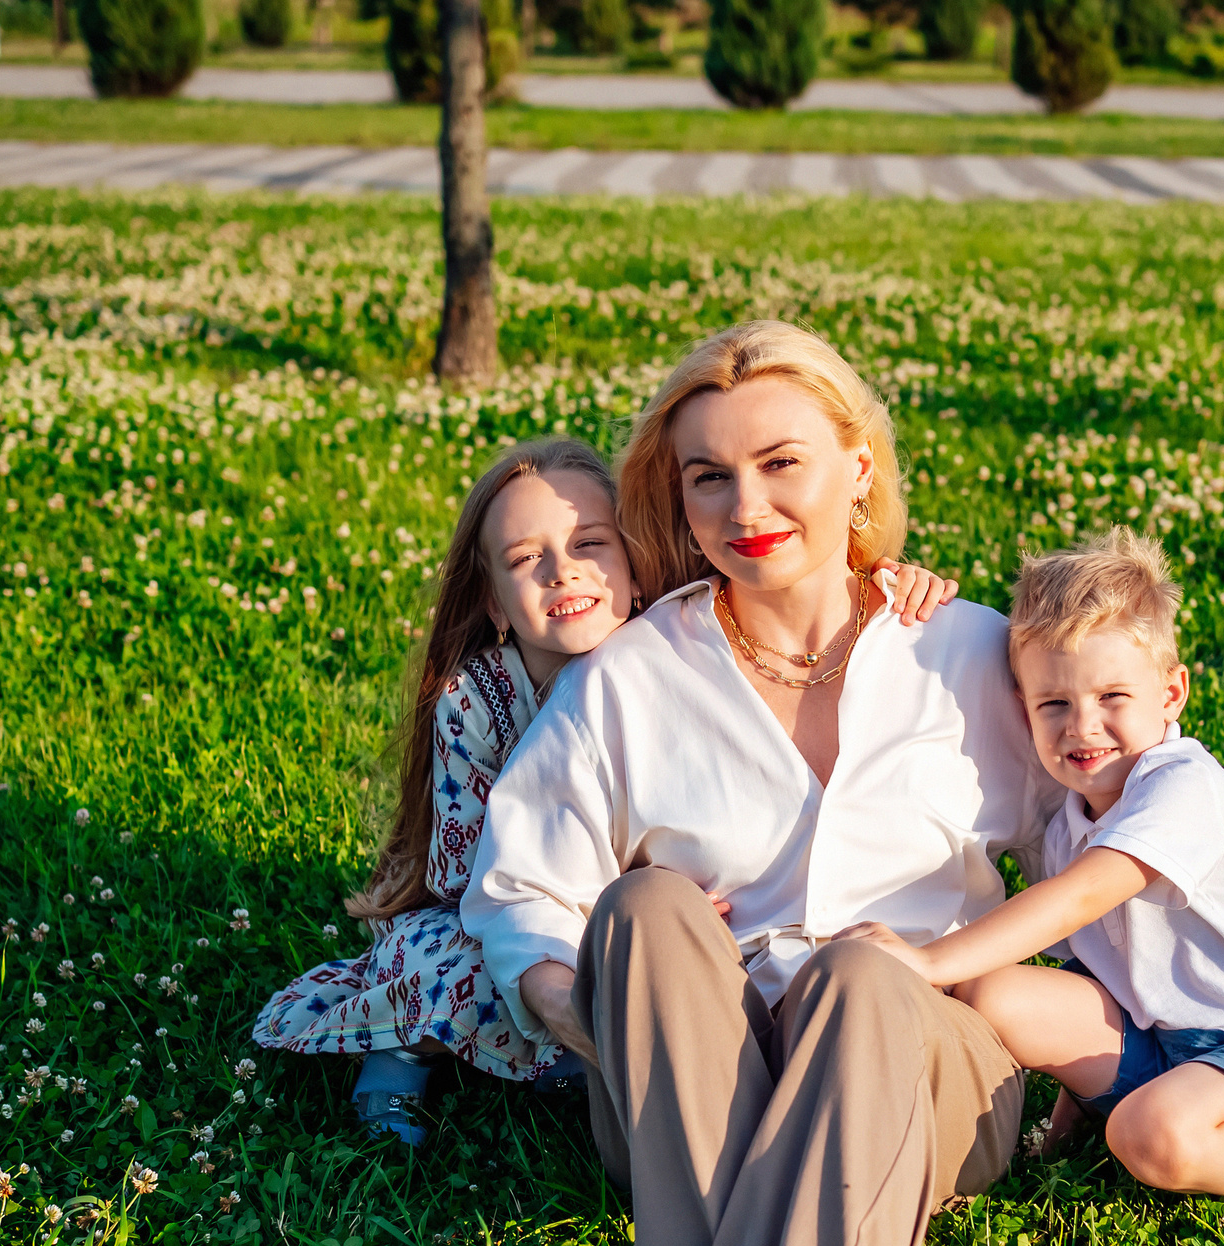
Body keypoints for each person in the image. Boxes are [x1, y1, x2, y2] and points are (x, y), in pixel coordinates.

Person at [462, 323, 1061, 1246]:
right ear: (672, 502)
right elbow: (516, 891)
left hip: (928, 1083)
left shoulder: (966, 653)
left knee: (861, 969)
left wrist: (1127, 1046)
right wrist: (583, 1014)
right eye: (707, 480)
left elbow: (1113, 842)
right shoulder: (635, 678)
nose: (749, 507)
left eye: (784, 463)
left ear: (858, 466)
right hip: (704, 1093)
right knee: (646, 905)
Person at [250, 435, 962, 1146]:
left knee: (713, 965)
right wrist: (604, 917)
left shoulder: (684, 659)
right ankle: (411, 1044)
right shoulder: (480, 699)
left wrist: (882, 579)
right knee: (446, 958)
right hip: (520, 921)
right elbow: (468, 879)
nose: (563, 573)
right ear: (494, 601)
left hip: (692, 928)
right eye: (526, 559)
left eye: (590, 543)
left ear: (636, 566)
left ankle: (589, 1053)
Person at [837, 529, 1224, 1246]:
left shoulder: (1181, 788)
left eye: (1112, 696)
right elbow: (1100, 978)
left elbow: (1076, 900)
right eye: (1053, 702)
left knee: (1151, 1135)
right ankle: (1111, 1118)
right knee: (994, 992)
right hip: (1170, 1037)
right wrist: (1060, 1136)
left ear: (1171, 692)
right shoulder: (1068, 822)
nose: (1082, 725)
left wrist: (925, 961)